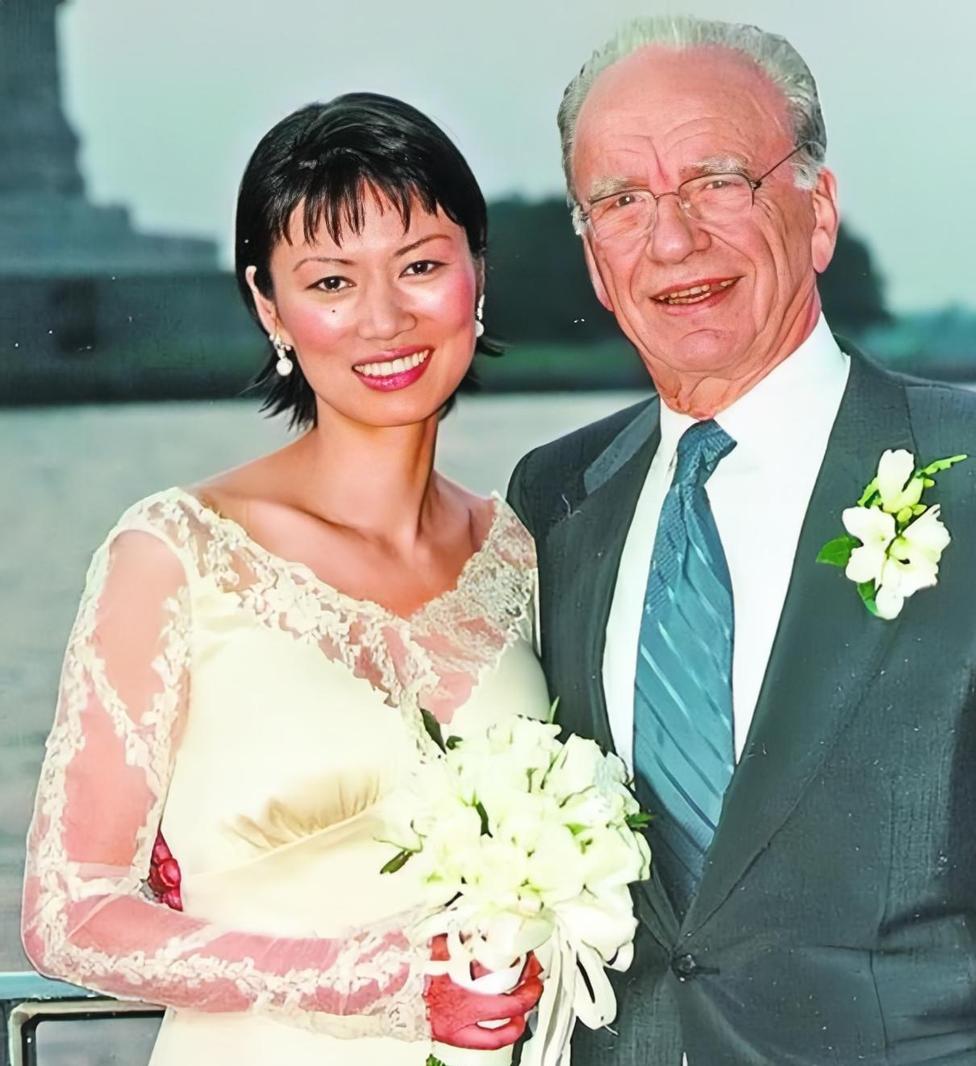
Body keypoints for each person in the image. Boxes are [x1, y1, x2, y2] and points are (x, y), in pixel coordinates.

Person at [507, 16, 976, 1065]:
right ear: (595, 260)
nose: (672, 240)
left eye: (718, 182)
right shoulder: (554, 498)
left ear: (817, 212)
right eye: (623, 202)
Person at [22, 92, 544, 1065]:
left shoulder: (523, 551)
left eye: (421, 266)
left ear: (478, 273)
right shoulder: (174, 553)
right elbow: (70, 912)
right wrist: (377, 984)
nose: (383, 319)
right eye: (332, 281)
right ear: (270, 305)